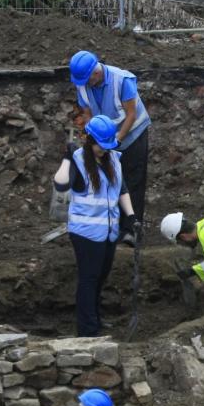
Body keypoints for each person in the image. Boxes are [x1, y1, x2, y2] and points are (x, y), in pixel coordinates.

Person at [54, 115, 138, 337]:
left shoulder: (113, 160)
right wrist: (67, 158)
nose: (104, 149)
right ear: (89, 140)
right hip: (85, 233)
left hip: (108, 232)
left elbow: (122, 189)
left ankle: (96, 320)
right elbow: (60, 184)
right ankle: (88, 330)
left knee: (100, 278)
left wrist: (130, 216)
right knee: (89, 280)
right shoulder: (79, 161)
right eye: (101, 144)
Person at [69, 50, 151, 239]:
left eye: (87, 80)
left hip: (132, 135)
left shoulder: (122, 80)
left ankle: (131, 230)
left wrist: (117, 141)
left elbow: (131, 115)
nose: (84, 85)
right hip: (105, 139)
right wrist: (93, 139)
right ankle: (111, 225)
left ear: (96, 73)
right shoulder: (82, 84)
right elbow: (88, 114)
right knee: (109, 178)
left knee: (133, 180)